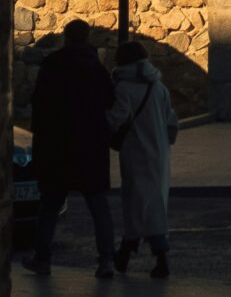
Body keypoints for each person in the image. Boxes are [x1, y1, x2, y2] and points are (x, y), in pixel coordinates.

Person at [27, 19, 116, 278]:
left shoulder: (53, 65)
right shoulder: (97, 69)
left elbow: (39, 105)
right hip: (90, 146)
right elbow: (109, 101)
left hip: (58, 146)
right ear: (87, 38)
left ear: (66, 37)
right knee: (98, 206)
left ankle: (42, 258)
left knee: (49, 207)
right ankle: (106, 259)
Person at [108, 37, 179, 279]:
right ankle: (153, 257)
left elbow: (116, 118)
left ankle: (126, 254)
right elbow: (172, 122)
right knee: (154, 204)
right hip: (158, 153)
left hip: (136, 152)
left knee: (135, 205)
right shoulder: (159, 88)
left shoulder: (124, 88)